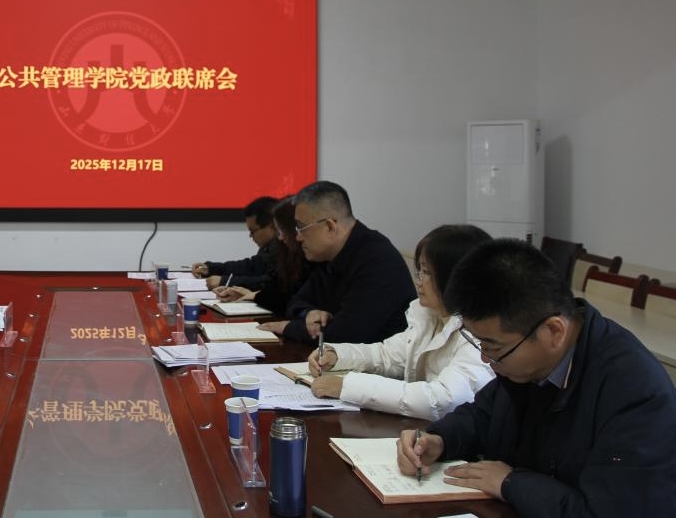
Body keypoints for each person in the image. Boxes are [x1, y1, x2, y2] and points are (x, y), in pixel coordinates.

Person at [397, 239, 676, 516]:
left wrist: (511, 483)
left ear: (554, 331)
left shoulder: (637, 396)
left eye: (493, 347)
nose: (485, 358)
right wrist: (439, 439)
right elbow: (484, 414)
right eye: (478, 342)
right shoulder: (528, 363)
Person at [305, 224, 495, 420]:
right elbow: (387, 355)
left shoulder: (480, 335)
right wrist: (337, 355)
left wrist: (348, 387)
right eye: (418, 270)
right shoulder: (431, 317)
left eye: (426, 272)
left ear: (455, 277)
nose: (418, 280)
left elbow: (441, 400)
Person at [260, 181, 415, 344]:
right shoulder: (330, 255)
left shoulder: (377, 260)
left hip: (378, 358)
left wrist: (288, 327)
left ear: (330, 226)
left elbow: (346, 335)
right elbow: (296, 302)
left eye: (301, 227)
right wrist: (309, 313)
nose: (298, 237)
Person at [214, 196, 312, 315]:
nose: (280, 237)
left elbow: (293, 299)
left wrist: (252, 294)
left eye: (281, 230)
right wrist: (253, 295)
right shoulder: (284, 251)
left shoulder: (311, 258)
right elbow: (275, 285)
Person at [191, 196, 279, 290]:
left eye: (253, 231)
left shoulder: (286, 249)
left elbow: (271, 283)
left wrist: (227, 282)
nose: (250, 236)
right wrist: (211, 268)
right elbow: (249, 267)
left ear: (272, 226)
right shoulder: (268, 247)